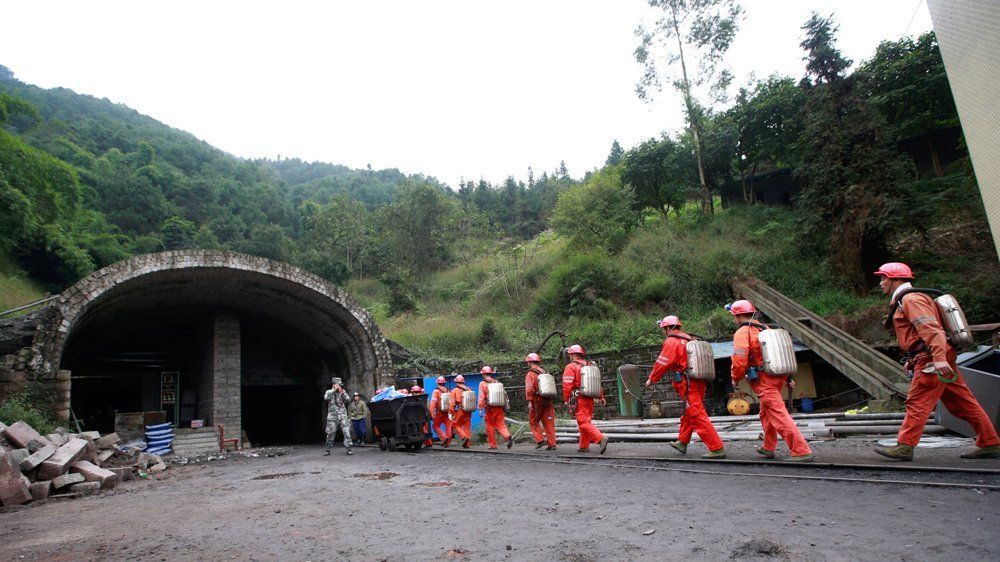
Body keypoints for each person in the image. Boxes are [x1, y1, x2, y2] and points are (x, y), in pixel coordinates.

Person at [872, 262, 1000, 460]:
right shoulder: (906, 300)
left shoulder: (911, 299)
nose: (881, 283)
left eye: (883, 278)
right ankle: (990, 442)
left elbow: (931, 330)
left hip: (933, 359)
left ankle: (905, 446)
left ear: (896, 279)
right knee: (962, 402)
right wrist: (914, 360)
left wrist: (939, 359)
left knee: (917, 401)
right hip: (932, 356)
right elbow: (919, 335)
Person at [729, 300, 813, 462]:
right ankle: (768, 447)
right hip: (777, 377)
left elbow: (739, 359)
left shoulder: (742, 332)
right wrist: (788, 378)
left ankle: (801, 450)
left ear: (738, 316)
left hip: (764, 381)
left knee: (779, 415)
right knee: (765, 413)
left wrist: (735, 377)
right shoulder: (766, 329)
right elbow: (779, 354)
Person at [645, 315, 726, 459]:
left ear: (668, 328)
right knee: (690, 412)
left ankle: (716, 447)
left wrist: (652, 379)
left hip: (687, 383)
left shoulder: (672, 341)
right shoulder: (690, 339)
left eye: (664, 329)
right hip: (699, 381)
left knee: (696, 413)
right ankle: (682, 441)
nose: (664, 331)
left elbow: (663, 363)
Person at [562, 344, 609, 454]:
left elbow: (567, 385)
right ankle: (583, 446)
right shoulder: (589, 366)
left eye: (570, 354)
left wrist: (566, 399)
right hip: (590, 398)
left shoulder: (571, 367)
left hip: (580, 398)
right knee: (585, 422)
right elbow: (597, 383)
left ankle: (601, 438)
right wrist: (601, 397)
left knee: (583, 422)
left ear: (572, 354)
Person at [525, 353, 557, 450]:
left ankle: (540, 439)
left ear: (529, 361)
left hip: (537, 401)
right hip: (548, 400)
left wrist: (530, 401)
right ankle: (552, 444)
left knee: (533, 421)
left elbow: (529, 389)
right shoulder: (544, 372)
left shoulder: (530, 374)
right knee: (549, 421)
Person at [478, 366, 513, 449]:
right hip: (499, 407)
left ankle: (493, 445)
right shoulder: (496, 382)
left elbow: (481, 397)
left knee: (490, 426)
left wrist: (480, 408)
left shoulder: (482, 383)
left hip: (489, 408)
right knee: (500, 423)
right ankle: (507, 436)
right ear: (490, 373)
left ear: (483, 374)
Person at [324, 377, 353, 456]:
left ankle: (348, 448)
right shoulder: (329, 391)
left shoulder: (343, 391)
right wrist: (333, 390)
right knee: (331, 433)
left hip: (343, 415)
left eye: (340, 385)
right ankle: (328, 449)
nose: (339, 386)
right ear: (334, 385)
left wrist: (342, 393)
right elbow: (326, 398)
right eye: (338, 385)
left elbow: (348, 400)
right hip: (332, 417)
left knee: (347, 432)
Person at [450, 375, 474, 448]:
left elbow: (452, 402)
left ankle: (464, 437)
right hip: (468, 411)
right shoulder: (468, 389)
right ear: (463, 382)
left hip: (460, 410)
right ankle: (467, 444)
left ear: (456, 382)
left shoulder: (455, 390)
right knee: (467, 427)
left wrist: (451, 412)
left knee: (455, 425)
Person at [429, 376, 453, 448]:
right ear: (444, 383)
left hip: (440, 412)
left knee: (435, 425)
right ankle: (448, 443)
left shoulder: (436, 391)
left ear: (437, 383)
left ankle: (444, 438)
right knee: (448, 427)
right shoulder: (448, 390)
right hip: (448, 412)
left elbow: (433, 403)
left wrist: (431, 413)